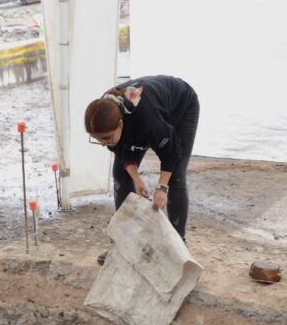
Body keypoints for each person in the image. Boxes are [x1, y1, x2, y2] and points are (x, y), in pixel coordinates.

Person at [84, 75, 200, 246]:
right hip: (144, 117)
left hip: (182, 106)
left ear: (120, 124)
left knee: (176, 176)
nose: (102, 144)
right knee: (121, 174)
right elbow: (121, 150)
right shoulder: (102, 114)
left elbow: (170, 153)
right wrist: (136, 179)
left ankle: (178, 245)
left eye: (106, 138)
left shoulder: (147, 120)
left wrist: (161, 188)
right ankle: (124, 243)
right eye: (97, 139)